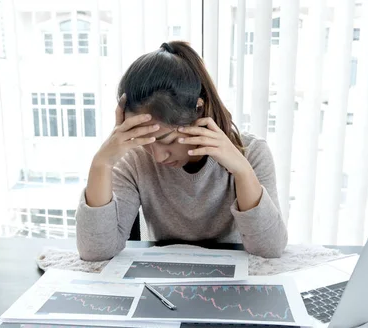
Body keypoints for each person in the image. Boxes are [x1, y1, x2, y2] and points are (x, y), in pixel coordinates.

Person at [76, 41, 287, 261]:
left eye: (167, 140)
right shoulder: (134, 159)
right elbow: (96, 252)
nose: (157, 156)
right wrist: (101, 164)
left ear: (198, 110)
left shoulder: (251, 153)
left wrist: (243, 172)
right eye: (144, 140)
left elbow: (270, 250)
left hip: (233, 287)